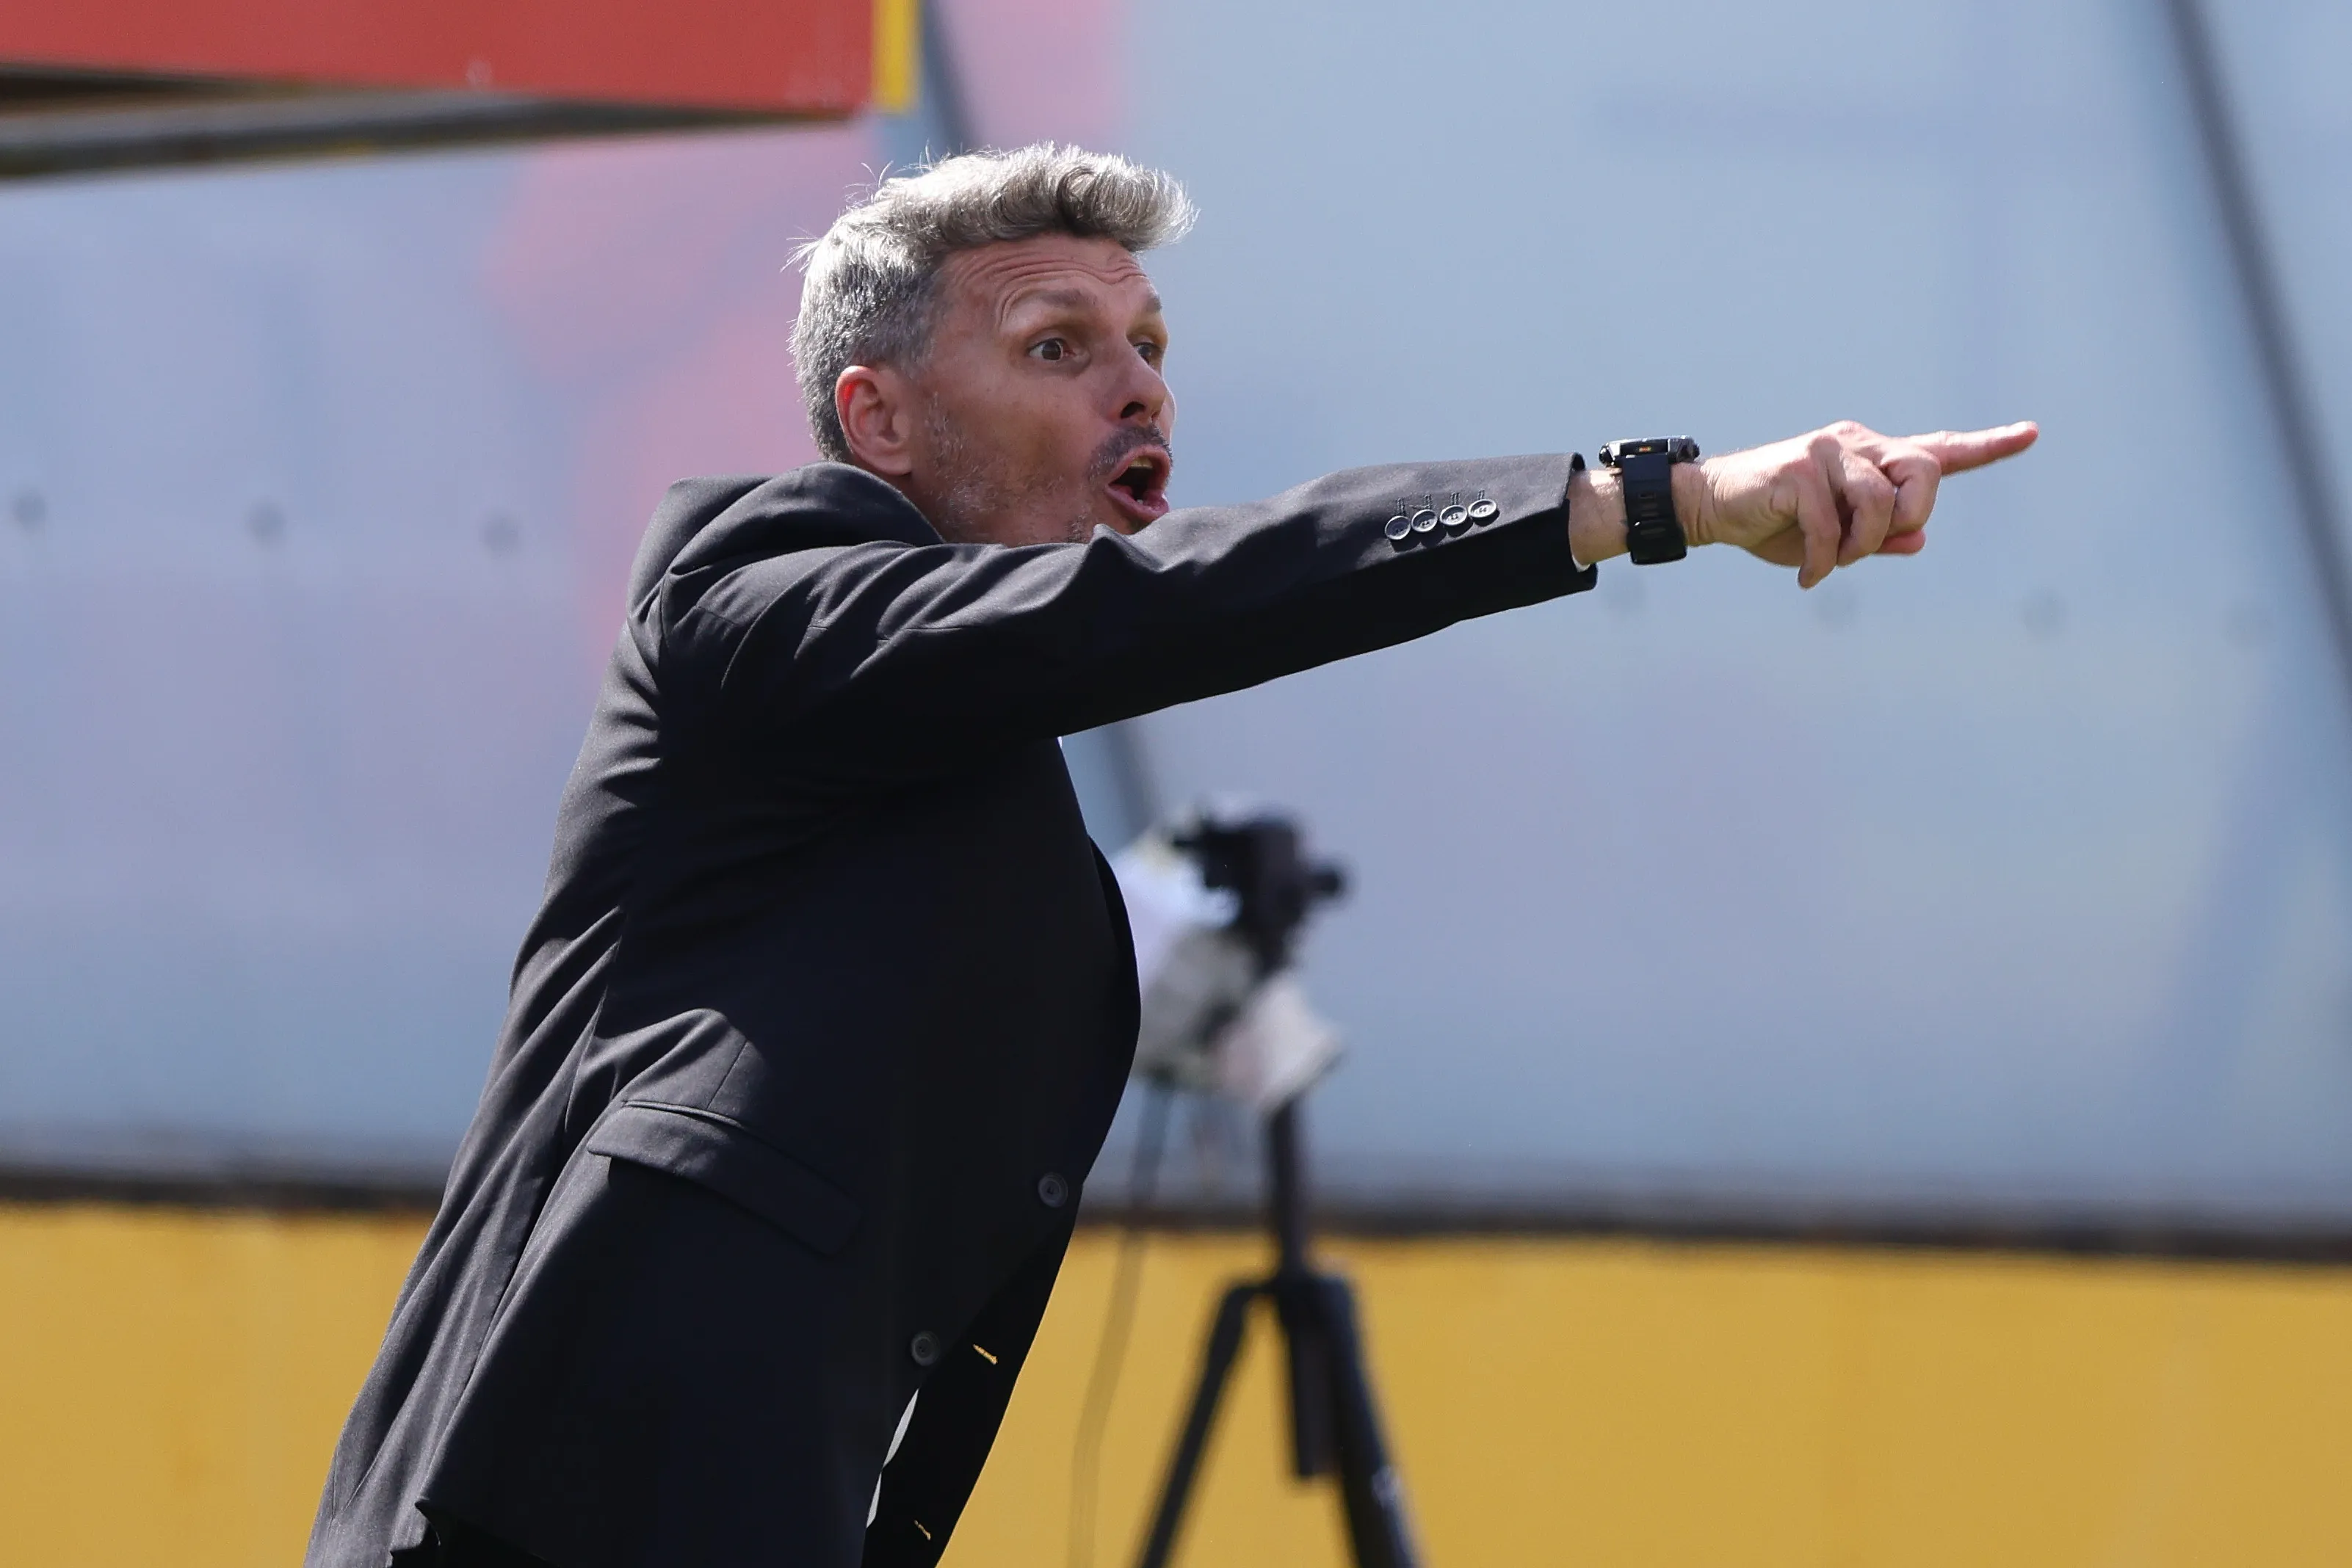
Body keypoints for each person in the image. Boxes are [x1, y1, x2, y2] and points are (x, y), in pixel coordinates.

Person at [304, 144, 2036, 1568]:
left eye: (1147, 343)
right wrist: (1649, 502)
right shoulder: (743, 588)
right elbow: (1163, 602)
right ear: (879, 419)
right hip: (528, 1517)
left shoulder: (971, 764)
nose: (1139, 384)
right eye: (1058, 346)